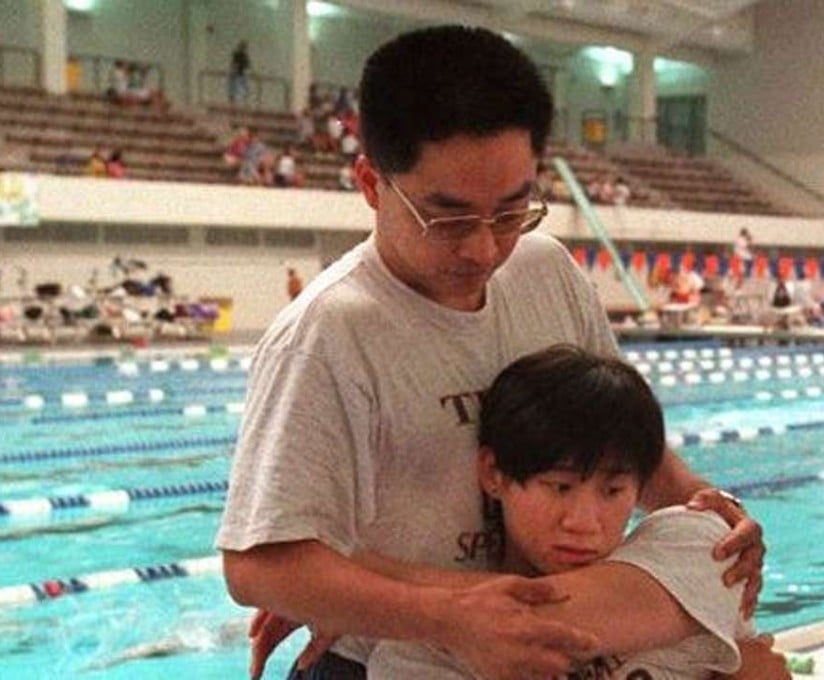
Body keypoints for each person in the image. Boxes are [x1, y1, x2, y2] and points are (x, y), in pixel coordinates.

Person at [218, 25, 764, 680]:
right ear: (370, 184)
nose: (483, 249)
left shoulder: (547, 272)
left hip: (554, 628)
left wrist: (708, 507)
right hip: (396, 656)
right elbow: (257, 564)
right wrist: (440, 617)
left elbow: (616, 438)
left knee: (704, 562)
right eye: (447, 219)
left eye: (511, 212)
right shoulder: (329, 335)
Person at [290, 345, 787, 679]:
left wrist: (354, 580)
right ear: (493, 473)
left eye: (613, 491)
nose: (584, 522)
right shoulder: (420, 658)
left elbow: (542, 614)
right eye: (559, 487)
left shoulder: (702, 544)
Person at [228, 40, 251, 105]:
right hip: (236, 75)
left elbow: (247, 66)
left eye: (244, 47)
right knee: (233, 90)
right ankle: (232, 102)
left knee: (244, 90)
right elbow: (234, 64)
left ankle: (244, 102)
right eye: (241, 47)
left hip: (241, 74)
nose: (243, 49)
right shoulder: (236, 55)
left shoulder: (245, 56)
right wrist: (233, 71)